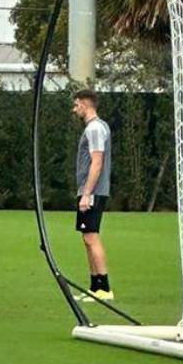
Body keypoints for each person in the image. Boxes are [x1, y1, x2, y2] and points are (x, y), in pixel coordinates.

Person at [72, 89, 113, 301]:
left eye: (77, 104)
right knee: (86, 238)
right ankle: (94, 287)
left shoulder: (95, 128)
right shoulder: (93, 128)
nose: (74, 109)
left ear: (86, 105)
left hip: (93, 192)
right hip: (87, 191)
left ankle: (104, 287)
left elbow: (97, 162)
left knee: (91, 237)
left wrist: (87, 193)